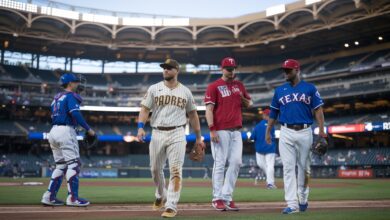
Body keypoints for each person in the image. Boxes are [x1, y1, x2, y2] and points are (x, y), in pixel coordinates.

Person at [137, 59, 204, 218]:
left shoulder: (185, 91)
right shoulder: (154, 88)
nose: (165, 70)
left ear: (176, 71)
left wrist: (198, 137)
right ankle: (161, 195)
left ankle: (171, 205)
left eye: (169, 68)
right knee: (154, 169)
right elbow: (145, 109)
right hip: (157, 132)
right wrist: (140, 127)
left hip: (177, 133)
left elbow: (193, 115)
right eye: (164, 68)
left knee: (175, 170)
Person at [265, 59, 326, 214]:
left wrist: (321, 131)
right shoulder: (279, 90)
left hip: (305, 131)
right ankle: (292, 204)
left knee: (304, 168)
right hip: (285, 131)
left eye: (288, 70)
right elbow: (273, 113)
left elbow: (318, 110)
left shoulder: (310, 88)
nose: (285, 73)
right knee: (288, 168)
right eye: (284, 70)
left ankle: (303, 197)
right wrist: (268, 130)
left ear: (297, 70)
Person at [204, 57, 252, 211]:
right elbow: (209, 110)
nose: (231, 71)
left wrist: (242, 97)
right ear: (222, 69)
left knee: (236, 162)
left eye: (233, 69)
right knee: (219, 163)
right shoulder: (214, 86)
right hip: (220, 130)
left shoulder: (239, 85)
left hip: (236, 131)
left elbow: (249, 104)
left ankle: (227, 197)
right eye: (228, 69)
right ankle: (217, 198)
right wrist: (212, 129)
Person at [41, 73, 95, 207]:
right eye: (76, 82)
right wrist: (89, 129)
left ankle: (49, 196)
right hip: (66, 130)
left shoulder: (57, 97)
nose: (78, 84)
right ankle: (72, 198)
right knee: (74, 165)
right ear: (70, 84)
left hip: (53, 131)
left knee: (61, 165)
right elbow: (75, 113)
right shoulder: (70, 96)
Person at [250, 108, 277, 189]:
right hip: (267, 149)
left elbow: (252, 138)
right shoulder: (271, 126)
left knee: (268, 166)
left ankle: (270, 183)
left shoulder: (257, 126)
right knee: (267, 166)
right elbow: (274, 137)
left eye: (269, 115)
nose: (268, 116)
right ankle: (270, 180)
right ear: (264, 115)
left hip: (263, 149)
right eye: (267, 115)